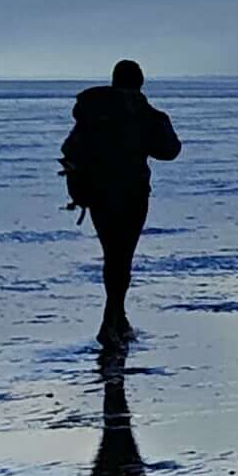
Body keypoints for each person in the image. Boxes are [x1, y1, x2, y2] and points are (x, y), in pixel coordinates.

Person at [59, 58, 181, 346]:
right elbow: (170, 150)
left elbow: (69, 147)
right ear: (140, 83)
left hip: (99, 196)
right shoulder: (144, 113)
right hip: (132, 195)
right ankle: (110, 321)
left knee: (113, 256)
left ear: (114, 81)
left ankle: (117, 318)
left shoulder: (94, 112)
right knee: (121, 258)